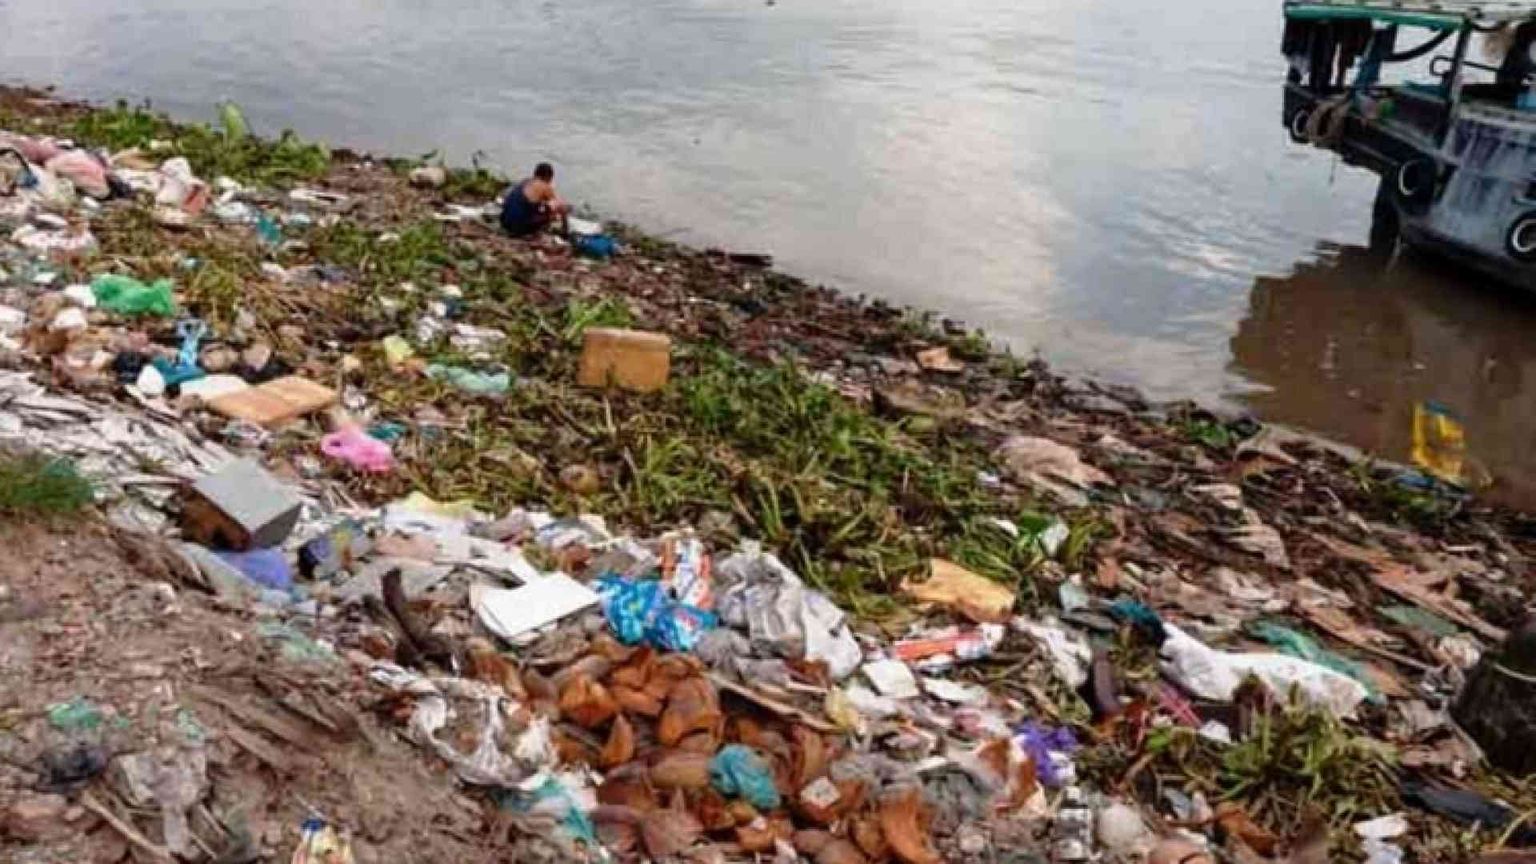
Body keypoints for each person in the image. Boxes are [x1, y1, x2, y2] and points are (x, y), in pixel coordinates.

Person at [500, 162, 568, 237]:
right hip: (517, 228)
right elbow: (562, 207)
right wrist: (565, 228)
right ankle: (563, 233)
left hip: (504, 221)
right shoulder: (545, 186)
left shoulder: (526, 181)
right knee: (553, 215)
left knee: (539, 207)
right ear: (548, 177)